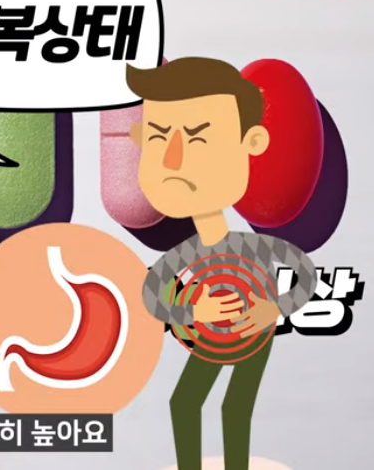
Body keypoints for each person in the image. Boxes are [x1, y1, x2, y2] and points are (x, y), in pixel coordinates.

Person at [127, 57, 318, 470]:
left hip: (253, 333)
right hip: (214, 335)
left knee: (235, 406)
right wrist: (194, 311)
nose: (174, 159)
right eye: (159, 138)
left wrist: (273, 308)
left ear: (252, 143)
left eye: (199, 141)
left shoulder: (254, 248)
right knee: (184, 403)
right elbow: (151, 293)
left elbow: (305, 272)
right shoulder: (189, 252)